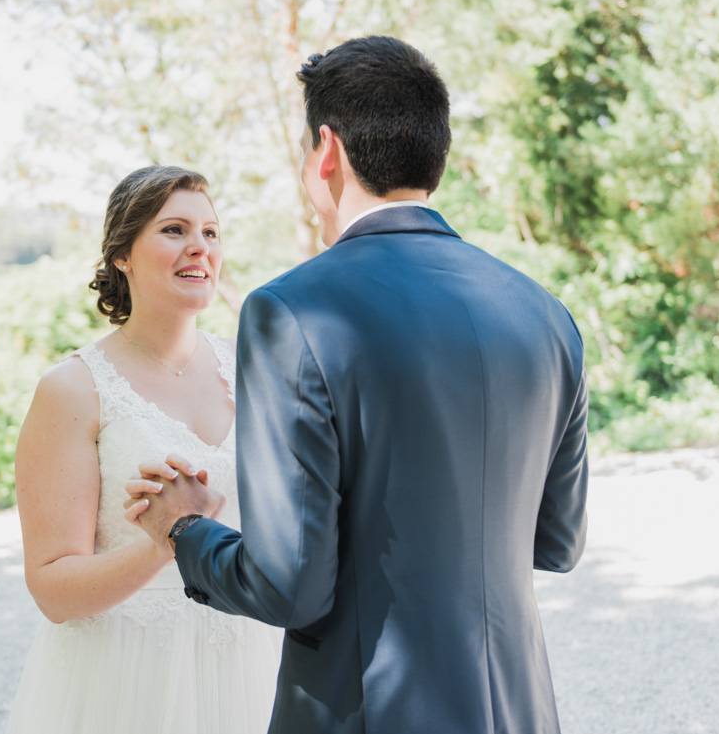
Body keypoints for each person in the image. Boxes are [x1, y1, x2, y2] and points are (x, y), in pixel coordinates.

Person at [125, 36, 589, 734]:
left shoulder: (294, 310)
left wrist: (184, 529)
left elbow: (292, 583)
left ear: (327, 152)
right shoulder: (546, 313)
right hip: (521, 709)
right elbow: (557, 540)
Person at [4, 165, 281, 734]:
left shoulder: (257, 368)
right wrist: (168, 540)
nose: (199, 248)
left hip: (250, 662)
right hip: (126, 680)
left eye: (211, 233)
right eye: (175, 230)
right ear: (122, 255)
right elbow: (53, 591)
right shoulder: (74, 390)